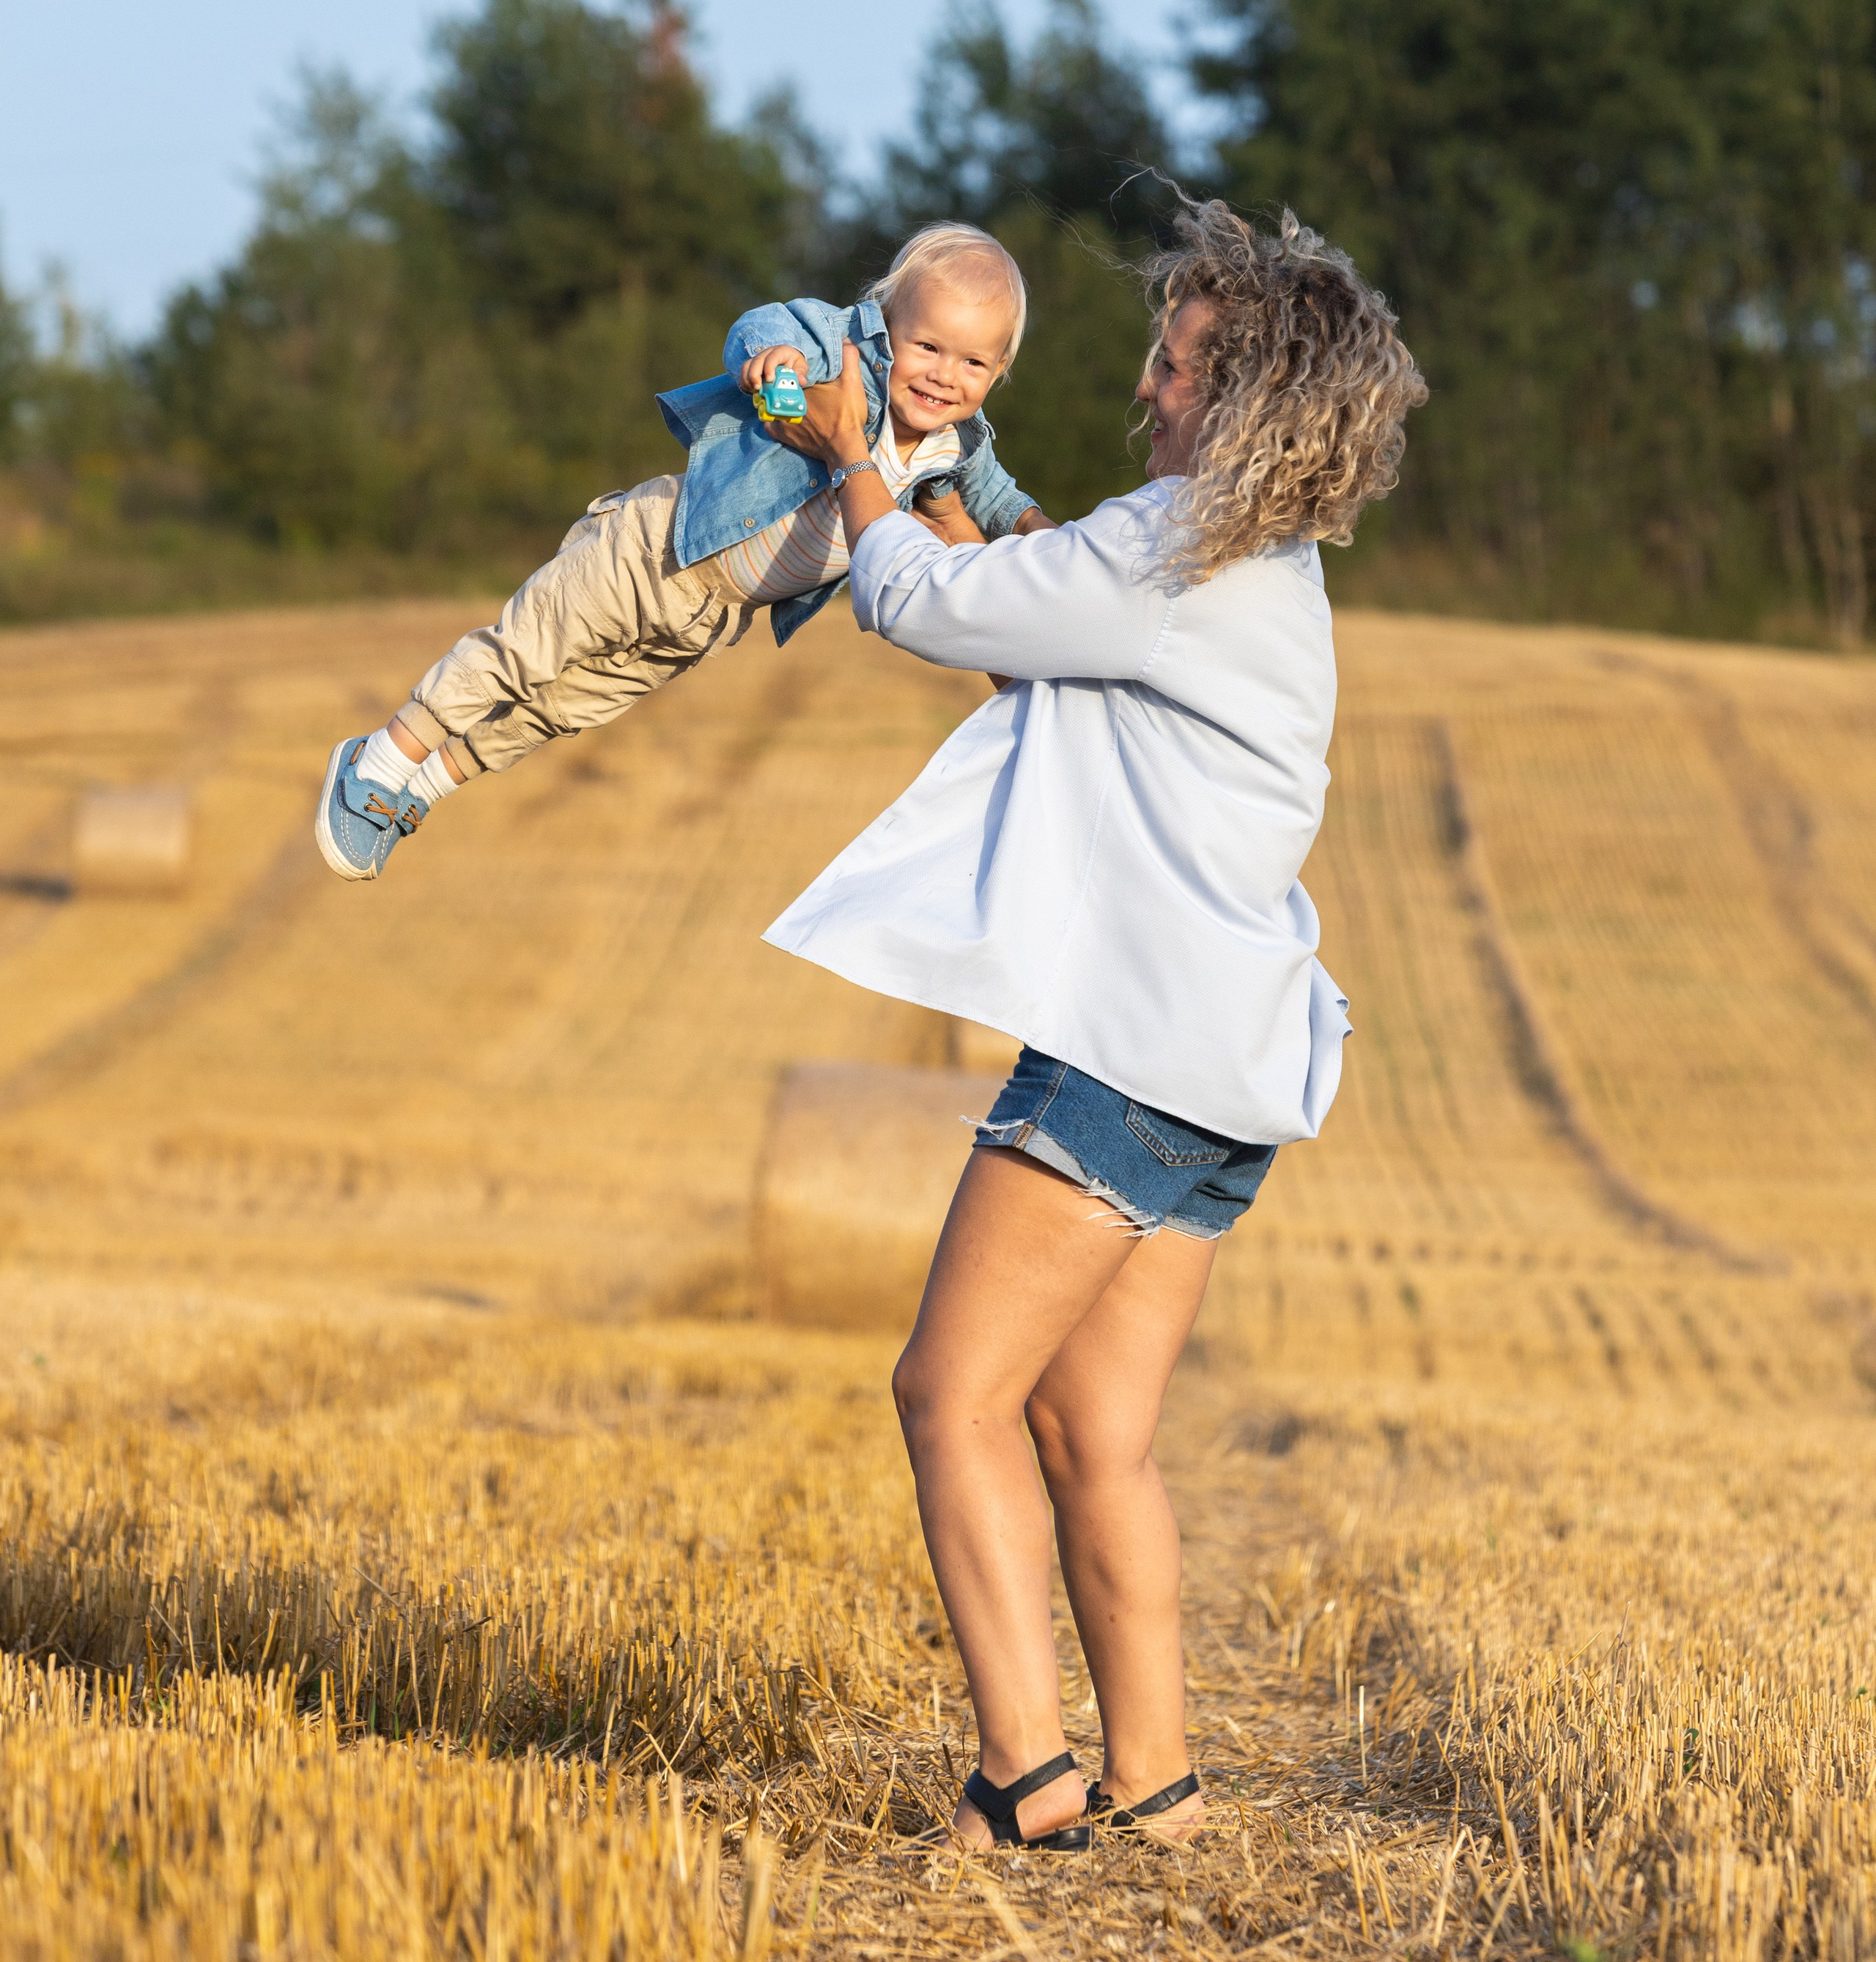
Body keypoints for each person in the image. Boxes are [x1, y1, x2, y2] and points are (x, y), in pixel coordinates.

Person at [764, 198, 1427, 1849]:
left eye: (1179, 363)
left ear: (1250, 398)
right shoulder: (1249, 570)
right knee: (1092, 1428)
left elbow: (919, 605)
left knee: (951, 1396)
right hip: (1226, 1074)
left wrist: (858, 450)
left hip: (1131, 1055)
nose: (1147, 386)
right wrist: (950, 512)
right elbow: (1036, 630)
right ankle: (1159, 1784)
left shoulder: (1174, 546)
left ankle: (1026, 1779)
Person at [312, 224, 1052, 881]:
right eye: (927, 346)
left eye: (972, 364)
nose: (943, 375)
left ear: (998, 375)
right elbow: (760, 326)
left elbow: (999, 502)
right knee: (524, 651)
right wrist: (774, 362)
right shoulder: (844, 354)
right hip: (658, 544)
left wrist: (1051, 540)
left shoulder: (958, 448)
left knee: (567, 706)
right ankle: (379, 760)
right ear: (889, 328)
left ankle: (425, 787)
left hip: (714, 613)